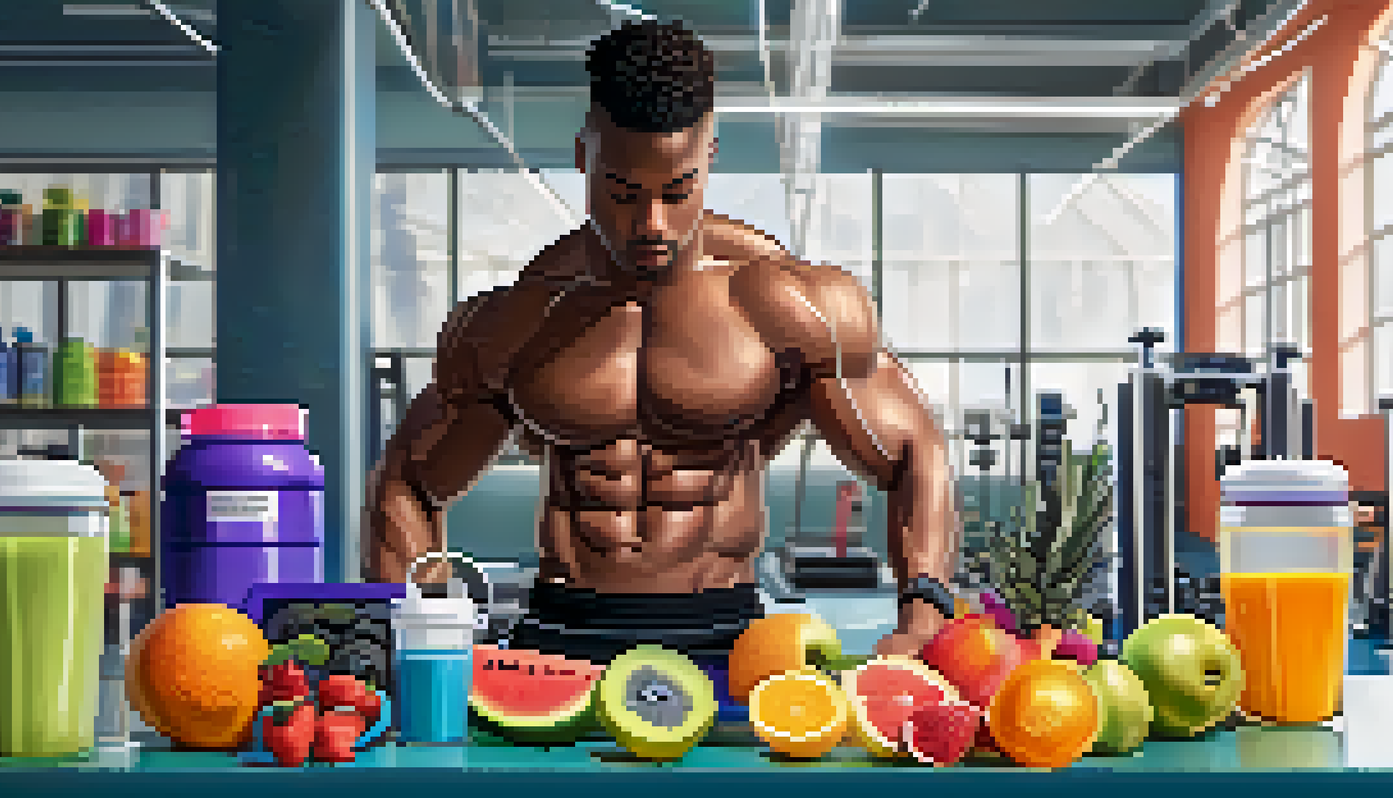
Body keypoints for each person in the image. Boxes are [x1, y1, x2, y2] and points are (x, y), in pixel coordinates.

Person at [364, 19, 956, 664]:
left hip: (726, 636)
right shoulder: (521, 321)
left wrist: (924, 609)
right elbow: (410, 484)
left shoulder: (787, 306)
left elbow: (910, 452)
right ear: (584, 158)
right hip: (561, 635)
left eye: (678, 192)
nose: (651, 223)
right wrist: (415, 633)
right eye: (623, 191)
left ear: (710, 159)